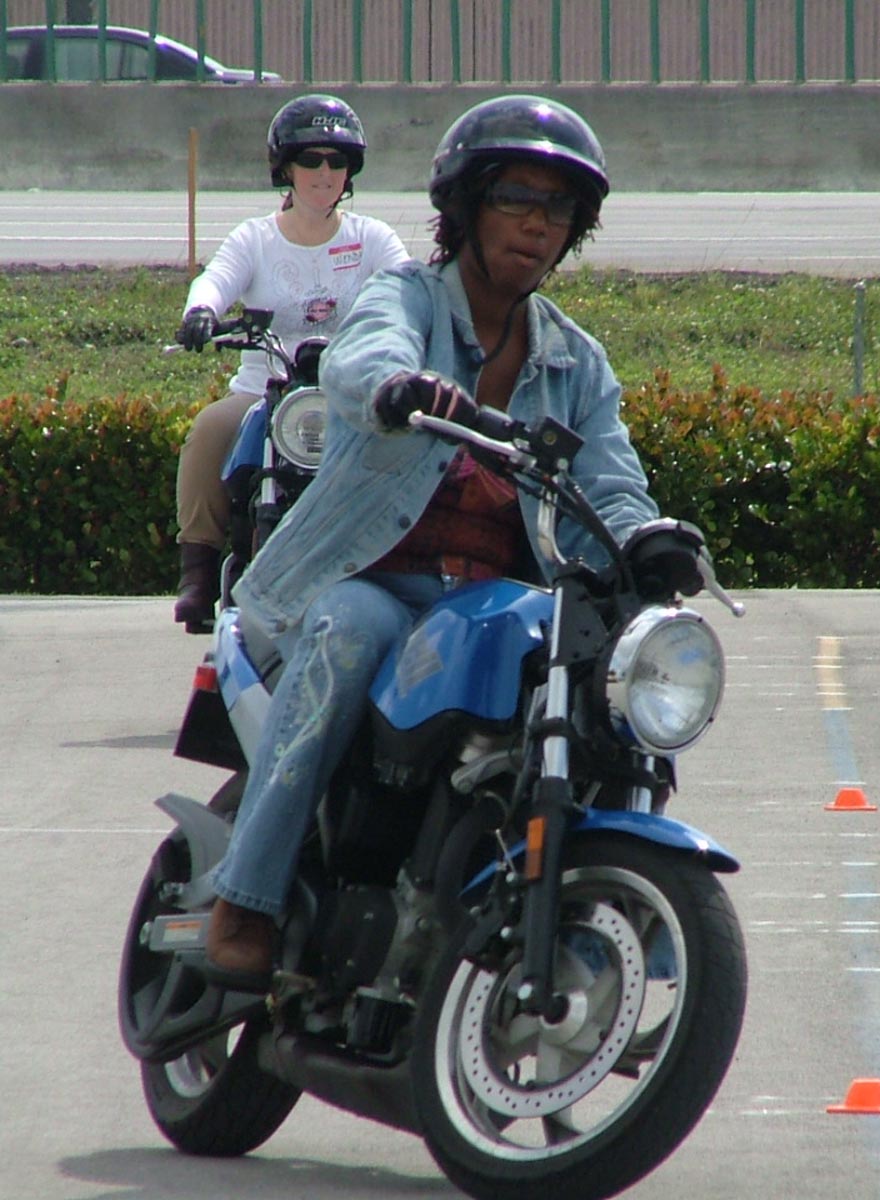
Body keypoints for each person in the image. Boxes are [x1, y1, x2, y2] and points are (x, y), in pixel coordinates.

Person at [204, 94, 663, 991]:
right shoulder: (406, 296)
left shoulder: (576, 362)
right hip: (371, 581)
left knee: (601, 689)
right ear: (466, 206)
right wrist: (397, 387)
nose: (537, 224)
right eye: (515, 198)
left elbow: (611, 481)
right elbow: (361, 354)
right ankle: (246, 896)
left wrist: (647, 541)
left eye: (558, 208)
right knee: (348, 632)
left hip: (491, 602)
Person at [173, 93, 409, 630]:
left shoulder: (372, 238)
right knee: (210, 431)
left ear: (350, 171)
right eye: (310, 160)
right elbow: (214, 280)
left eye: (336, 161)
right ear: (285, 168)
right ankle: (198, 576)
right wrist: (201, 311)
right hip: (265, 390)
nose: (324, 173)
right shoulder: (254, 238)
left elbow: (406, 288)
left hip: (351, 395)